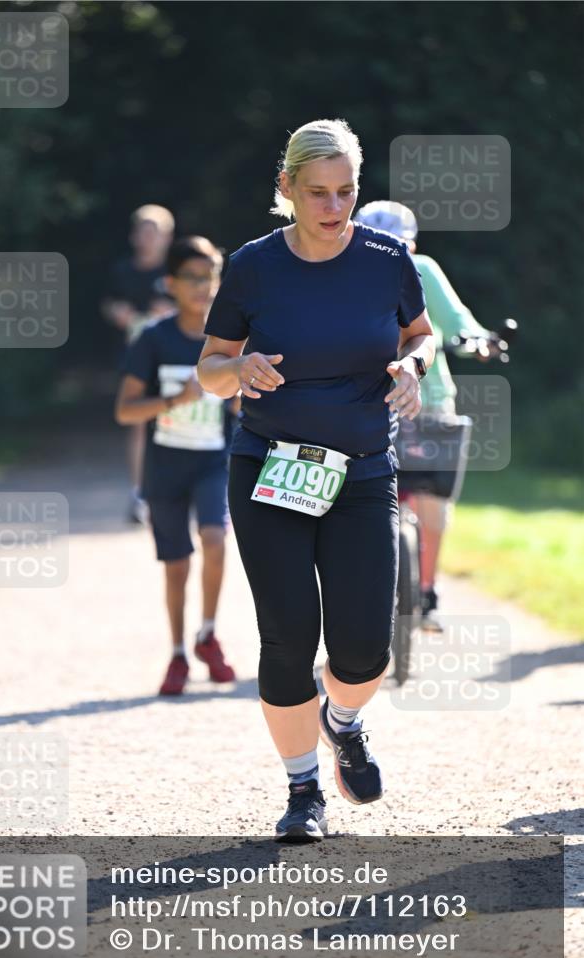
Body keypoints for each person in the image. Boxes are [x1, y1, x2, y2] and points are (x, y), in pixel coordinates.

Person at [197, 120, 435, 841]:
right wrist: (236, 371)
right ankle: (302, 789)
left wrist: (412, 368)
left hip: (361, 471)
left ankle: (345, 721)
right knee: (287, 637)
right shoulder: (253, 266)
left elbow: (419, 333)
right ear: (287, 190)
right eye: (317, 193)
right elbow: (210, 366)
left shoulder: (385, 258)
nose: (333, 208)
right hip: (270, 468)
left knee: (366, 649)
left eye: (346, 193)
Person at [356, 201, 489, 631]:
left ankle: (427, 591)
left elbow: (457, 321)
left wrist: (477, 340)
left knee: (434, 505)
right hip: (365, 401)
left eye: (399, 246)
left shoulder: (424, 271)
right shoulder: (344, 276)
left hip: (428, 400)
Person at [115, 236, 238, 696]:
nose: (203, 285)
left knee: (214, 538)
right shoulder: (153, 339)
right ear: (169, 283)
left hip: (213, 462)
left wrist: (242, 395)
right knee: (176, 565)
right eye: (192, 277)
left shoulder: (228, 340)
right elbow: (125, 411)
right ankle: (178, 653)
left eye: (211, 275)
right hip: (165, 468)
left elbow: (243, 407)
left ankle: (207, 634)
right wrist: (175, 399)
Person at [102, 204, 176, 525]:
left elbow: (201, 307)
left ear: (167, 237)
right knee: (138, 424)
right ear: (134, 236)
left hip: (174, 359)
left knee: (175, 425)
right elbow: (108, 302)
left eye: (154, 232)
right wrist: (120, 313)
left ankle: (175, 491)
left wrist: (170, 313)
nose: (147, 238)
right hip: (137, 359)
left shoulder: (176, 272)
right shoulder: (122, 271)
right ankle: (139, 493)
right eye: (142, 231)